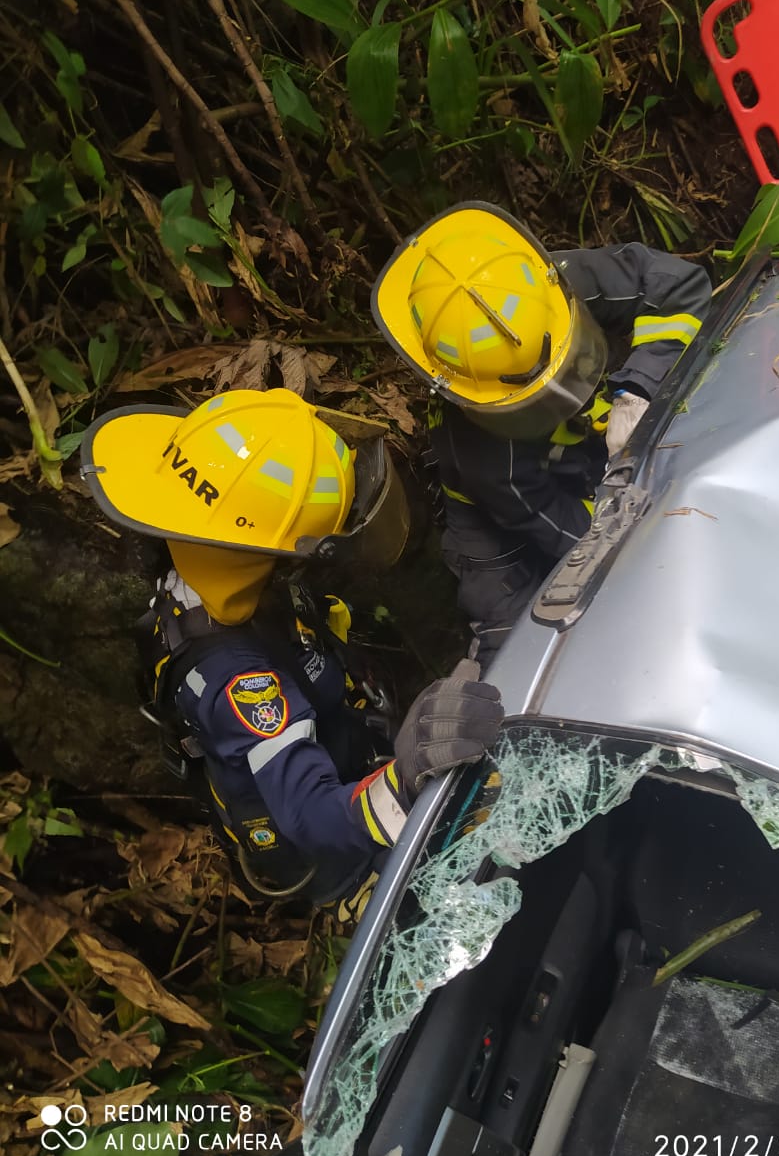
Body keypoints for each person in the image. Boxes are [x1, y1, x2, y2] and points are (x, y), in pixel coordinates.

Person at [80, 388, 503, 907]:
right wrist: (407, 780)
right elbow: (313, 815)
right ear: (252, 548)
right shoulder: (240, 682)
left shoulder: (202, 572)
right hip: (335, 851)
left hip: (341, 734)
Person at [371, 202, 713, 668]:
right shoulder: (482, 455)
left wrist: (639, 388)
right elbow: (574, 534)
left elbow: (677, 286)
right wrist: (628, 523)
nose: (555, 393)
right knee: (516, 650)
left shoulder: (548, 288)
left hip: (588, 446)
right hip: (499, 536)